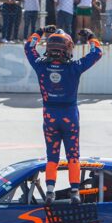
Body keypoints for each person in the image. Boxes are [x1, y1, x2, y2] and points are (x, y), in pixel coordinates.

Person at [24, 25, 102, 205]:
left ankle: (50, 191)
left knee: (52, 156)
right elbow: (97, 52)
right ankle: (74, 191)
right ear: (67, 49)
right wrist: (90, 35)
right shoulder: (74, 68)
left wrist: (40, 30)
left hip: (49, 116)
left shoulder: (40, 66)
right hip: (70, 116)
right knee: (73, 154)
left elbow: (29, 47)